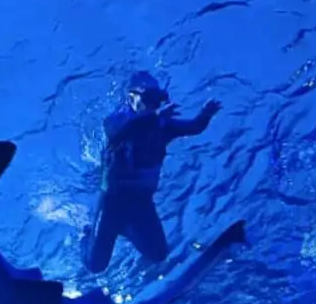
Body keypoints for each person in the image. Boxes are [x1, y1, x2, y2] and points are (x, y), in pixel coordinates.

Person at [81, 71, 221, 273]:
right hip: (112, 202)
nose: (154, 105)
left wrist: (205, 114)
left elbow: (193, 127)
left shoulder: (163, 126)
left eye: (158, 100)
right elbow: (121, 132)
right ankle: (87, 234)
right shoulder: (116, 121)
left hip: (141, 202)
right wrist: (153, 117)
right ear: (131, 98)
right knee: (95, 266)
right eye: (148, 99)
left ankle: (126, 229)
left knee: (158, 253)